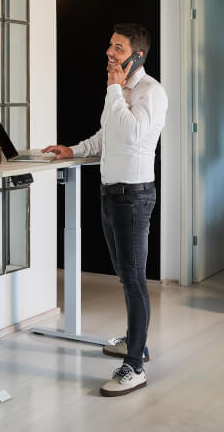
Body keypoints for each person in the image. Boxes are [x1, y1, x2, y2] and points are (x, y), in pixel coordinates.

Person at [42, 23, 168, 397]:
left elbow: (132, 134)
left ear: (137, 55)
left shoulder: (150, 92)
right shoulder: (119, 91)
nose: (110, 53)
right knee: (125, 275)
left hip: (133, 197)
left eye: (118, 48)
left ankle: (134, 366)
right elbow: (106, 136)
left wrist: (115, 89)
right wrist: (73, 150)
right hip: (111, 193)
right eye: (110, 46)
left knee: (134, 278)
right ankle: (135, 341)